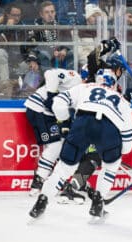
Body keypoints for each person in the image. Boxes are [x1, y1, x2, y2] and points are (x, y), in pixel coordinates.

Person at [28, 61, 132, 220]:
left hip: (82, 124)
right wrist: (119, 152)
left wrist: (65, 122)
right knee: (110, 166)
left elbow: (58, 103)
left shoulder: (84, 88)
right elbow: (127, 134)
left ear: (97, 80)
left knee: (64, 168)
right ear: (113, 83)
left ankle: (43, 199)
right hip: (108, 130)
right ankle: (98, 202)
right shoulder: (121, 99)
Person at [24, 68, 83, 196]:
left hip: (48, 114)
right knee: (55, 146)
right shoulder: (76, 78)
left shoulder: (85, 94)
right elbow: (50, 73)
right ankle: (38, 181)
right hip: (39, 109)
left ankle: (42, 180)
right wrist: (51, 95)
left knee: (59, 144)